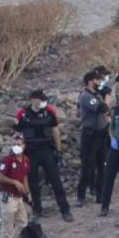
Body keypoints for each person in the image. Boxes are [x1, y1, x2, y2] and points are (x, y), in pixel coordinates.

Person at [14, 89, 73, 222]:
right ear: (32, 99)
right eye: (39, 99)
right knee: (33, 182)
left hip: (46, 149)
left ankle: (65, 210)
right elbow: (18, 134)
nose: (41, 102)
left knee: (55, 180)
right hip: (30, 151)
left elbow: (55, 130)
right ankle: (37, 210)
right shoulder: (22, 114)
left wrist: (58, 150)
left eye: (43, 99)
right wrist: (19, 152)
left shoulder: (50, 111)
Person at [76, 69, 110, 207]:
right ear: (90, 81)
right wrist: (107, 98)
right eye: (97, 80)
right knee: (87, 166)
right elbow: (102, 108)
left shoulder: (96, 94)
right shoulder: (85, 96)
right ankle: (81, 195)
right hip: (90, 136)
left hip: (102, 134)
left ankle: (99, 194)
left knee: (102, 165)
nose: (99, 82)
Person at [0, 132, 30, 238]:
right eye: (14, 144)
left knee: (22, 222)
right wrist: (14, 182)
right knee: (7, 226)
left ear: (24, 146)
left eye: (19, 144)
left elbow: (25, 176)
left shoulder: (26, 160)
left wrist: (27, 192)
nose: (16, 146)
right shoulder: (8, 160)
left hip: (18, 197)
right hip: (7, 197)